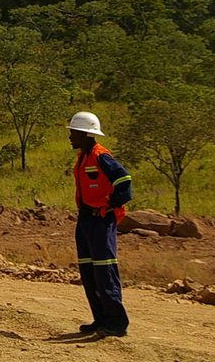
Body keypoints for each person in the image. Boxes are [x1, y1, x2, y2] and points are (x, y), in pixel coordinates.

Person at [68, 111, 133, 338]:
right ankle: (101, 319)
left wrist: (108, 205)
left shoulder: (100, 156)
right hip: (86, 219)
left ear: (85, 134)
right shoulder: (83, 156)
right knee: (89, 272)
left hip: (100, 221)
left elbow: (124, 182)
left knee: (104, 270)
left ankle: (116, 323)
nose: (70, 137)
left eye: (73, 132)